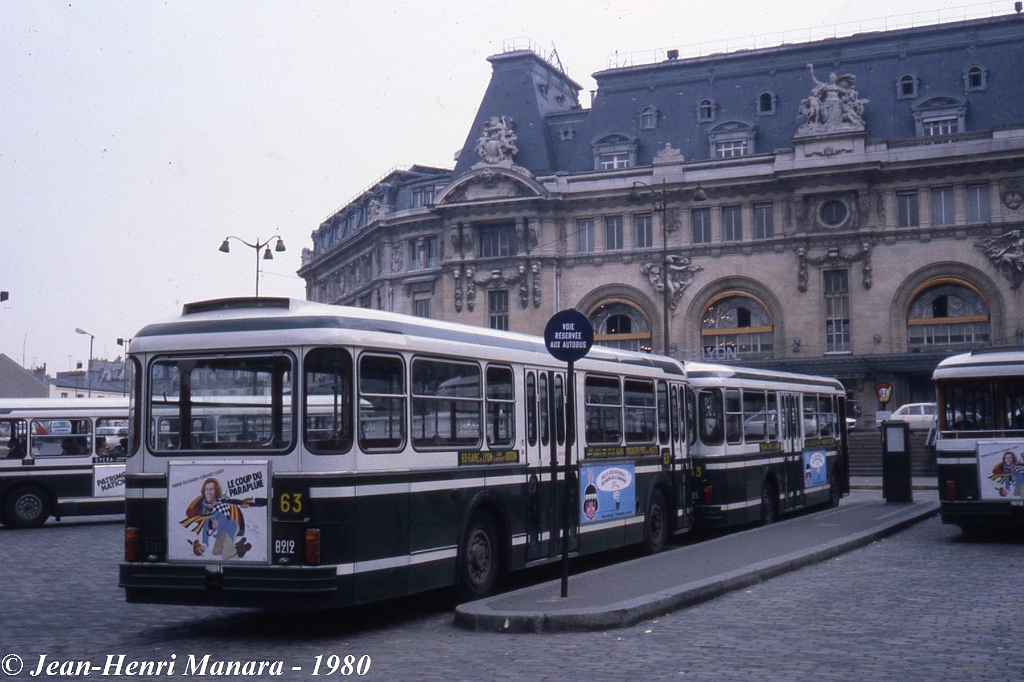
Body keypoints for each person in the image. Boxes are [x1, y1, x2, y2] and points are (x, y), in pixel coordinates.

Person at [181, 477, 253, 560]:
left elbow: (223, 517)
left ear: (216, 491)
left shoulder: (223, 502)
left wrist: (217, 522)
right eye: (206, 489)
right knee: (216, 552)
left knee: (227, 555)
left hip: (230, 527)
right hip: (222, 532)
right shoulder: (205, 506)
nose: (209, 492)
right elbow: (205, 526)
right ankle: (237, 546)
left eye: (212, 489)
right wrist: (204, 545)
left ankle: (237, 551)